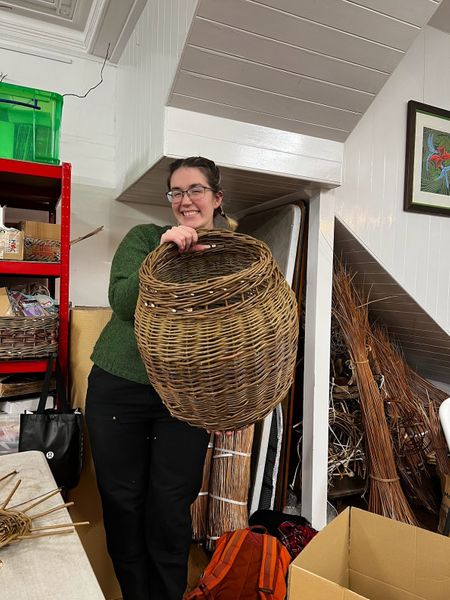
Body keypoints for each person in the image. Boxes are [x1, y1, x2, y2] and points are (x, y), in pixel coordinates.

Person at [85, 156, 237, 600]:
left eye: (196, 190)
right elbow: (122, 303)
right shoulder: (144, 239)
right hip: (119, 389)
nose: (186, 200)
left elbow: (230, 335)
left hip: (184, 400)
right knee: (123, 502)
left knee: (170, 507)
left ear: (216, 197)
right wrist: (165, 250)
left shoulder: (230, 258)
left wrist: (223, 401)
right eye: (177, 191)